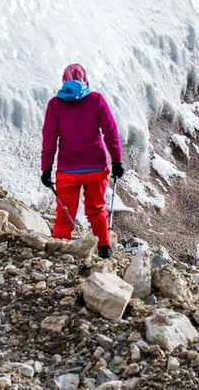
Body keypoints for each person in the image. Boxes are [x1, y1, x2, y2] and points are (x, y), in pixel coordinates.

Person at [41, 64, 123, 259]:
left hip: (67, 171)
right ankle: (104, 249)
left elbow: (49, 141)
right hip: (96, 168)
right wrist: (117, 161)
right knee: (96, 210)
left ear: (64, 82)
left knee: (64, 213)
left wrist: (46, 169)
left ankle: (61, 253)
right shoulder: (96, 100)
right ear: (85, 80)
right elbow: (111, 132)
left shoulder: (55, 105)